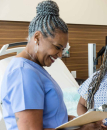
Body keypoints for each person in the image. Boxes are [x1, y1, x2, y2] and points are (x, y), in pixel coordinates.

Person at [1, 0, 101, 130]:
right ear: (37, 37)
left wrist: (78, 122)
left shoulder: (35, 68)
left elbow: (52, 119)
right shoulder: (23, 73)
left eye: (63, 50)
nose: (60, 55)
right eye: (57, 47)